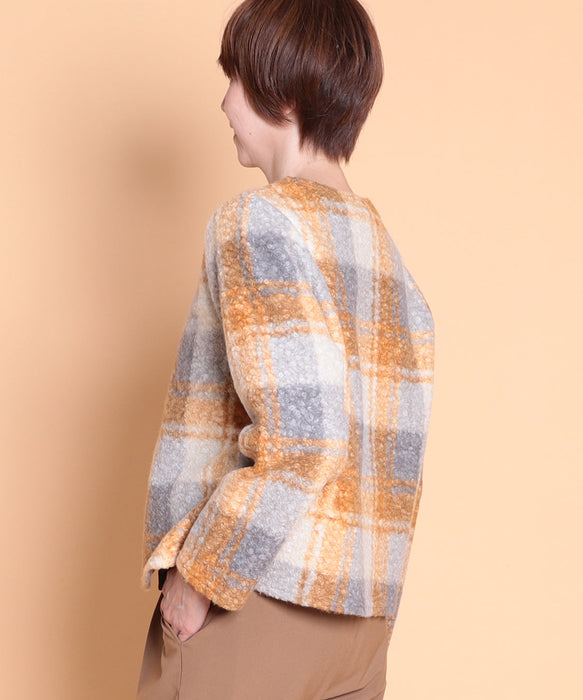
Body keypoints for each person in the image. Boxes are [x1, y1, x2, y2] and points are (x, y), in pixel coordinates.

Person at [136, 0, 435, 698]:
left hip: (254, 601)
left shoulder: (259, 222)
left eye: (237, 78)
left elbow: (307, 439)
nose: (224, 101)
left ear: (286, 92)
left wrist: (200, 576)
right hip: (361, 625)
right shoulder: (389, 259)